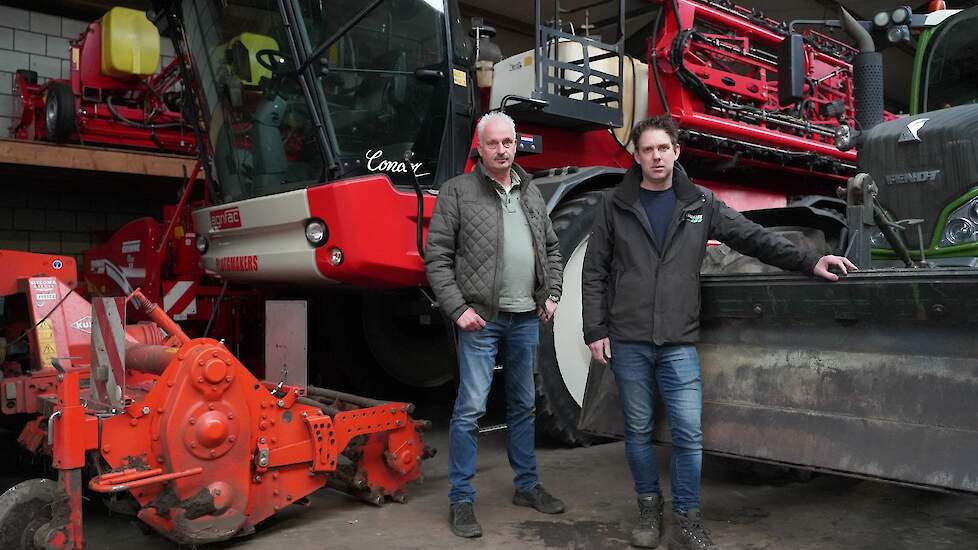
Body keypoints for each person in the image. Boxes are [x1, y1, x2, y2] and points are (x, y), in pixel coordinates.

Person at [581, 115, 856, 550]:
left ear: (676, 151)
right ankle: (649, 511)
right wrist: (594, 328)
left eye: (663, 148)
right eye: (647, 149)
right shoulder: (614, 206)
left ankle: (688, 519)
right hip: (629, 338)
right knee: (637, 430)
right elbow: (594, 271)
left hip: (677, 341)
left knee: (689, 432)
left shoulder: (700, 203)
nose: (656, 156)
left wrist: (809, 261)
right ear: (636, 155)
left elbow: (752, 237)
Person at [425, 111, 566, 539]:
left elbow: (553, 249)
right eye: (493, 144)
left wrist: (553, 294)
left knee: (523, 405)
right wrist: (457, 308)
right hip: (480, 320)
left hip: (526, 317)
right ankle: (461, 499)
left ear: (515, 143)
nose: (502, 150)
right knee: (470, 409)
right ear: (480, 148)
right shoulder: (457, 192)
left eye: (508, 142)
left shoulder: (532, 192)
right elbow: (437, 257)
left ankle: (526, 486)